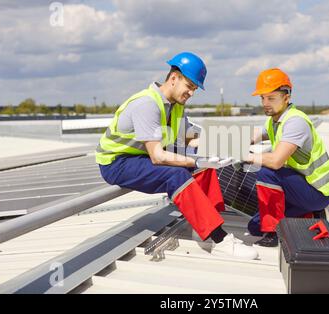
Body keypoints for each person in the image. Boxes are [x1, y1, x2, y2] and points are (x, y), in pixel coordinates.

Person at [96, 52, 258, 260]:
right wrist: (197, 159)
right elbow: (157, 156)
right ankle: (219, 240)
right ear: (173, 78)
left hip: (139, 157)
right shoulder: (147, 104)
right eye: (189, 86)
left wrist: (233, 145)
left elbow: (190, 139)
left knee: (204, 167)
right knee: (176, 174)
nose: (191, 93)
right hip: (117, 162)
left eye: (194, 89)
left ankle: (205, 229)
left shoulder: (176, 107)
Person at [245, 68, 329, 247]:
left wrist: (246, 156)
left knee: (267, 170)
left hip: (316, 191)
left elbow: (275, 161)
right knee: (254, 227)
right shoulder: (275, 120)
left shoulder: (295, 122)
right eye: (262, 98)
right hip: (299, 188)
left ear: (286, 97)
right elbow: (255, 134)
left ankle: (273, 233)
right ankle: (312, 216)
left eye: (271, 98)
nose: (265, 103)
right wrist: (228, 143)